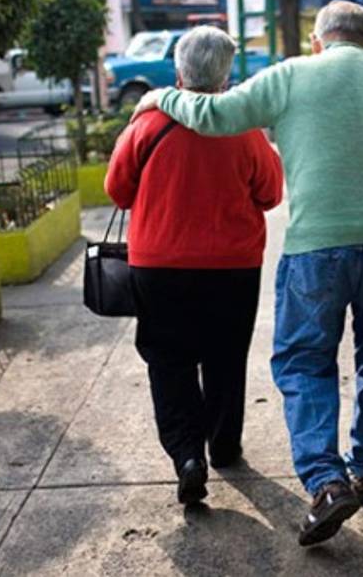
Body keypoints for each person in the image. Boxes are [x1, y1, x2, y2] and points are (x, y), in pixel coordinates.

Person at [134, 0, 363, 545]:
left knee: (306, 362)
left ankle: (327, 482)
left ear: (318, 41)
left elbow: (213, 116)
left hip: (317, 249)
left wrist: (160, 96)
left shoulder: (290, 75)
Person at [106, 26, 283, 505]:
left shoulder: (147, 124)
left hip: (159, 267)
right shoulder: (243, 129)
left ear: (179, 71)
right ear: (226, 75)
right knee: (225, 357)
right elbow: (270, 194)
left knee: (169, 362)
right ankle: (223, 448)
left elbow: (117, 191)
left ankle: (187, 456)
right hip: (232, 267)